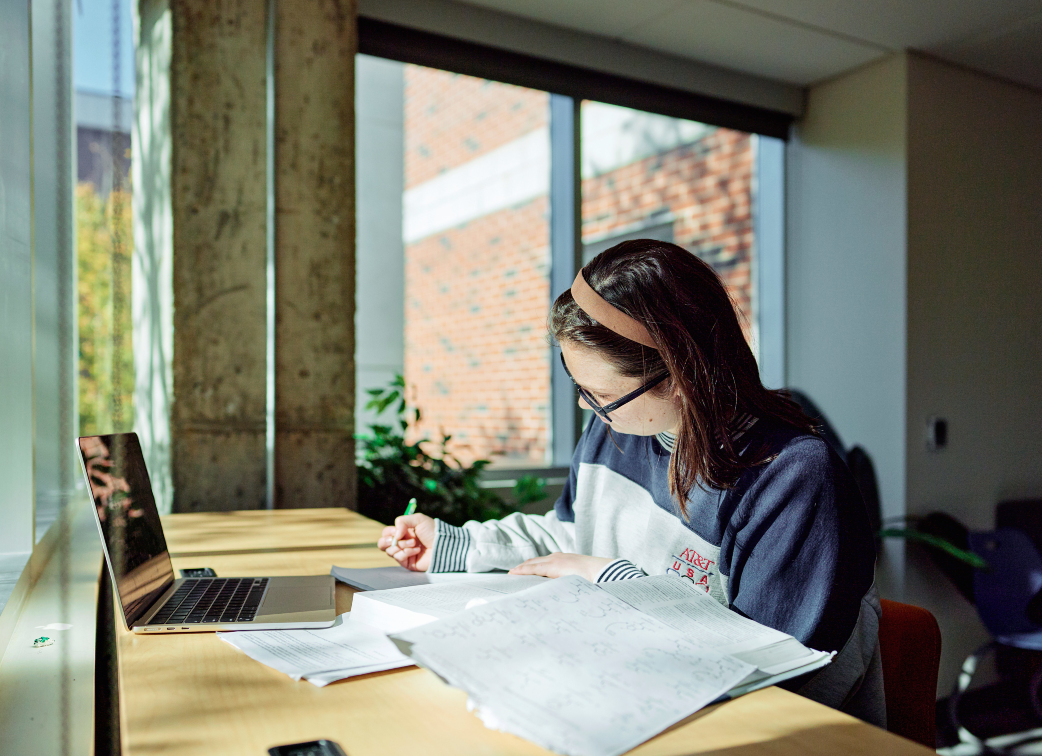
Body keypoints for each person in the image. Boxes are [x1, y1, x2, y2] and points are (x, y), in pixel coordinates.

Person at [377, 239, 884, 725]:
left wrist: (611, 585)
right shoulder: (614, 429)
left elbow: (763, 667)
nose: (585, 406)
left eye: (599, 394)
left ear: (681, 379)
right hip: (633, 705)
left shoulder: (791, 478)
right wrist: (454, 544)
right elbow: (571, 538)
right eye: (576, 383)